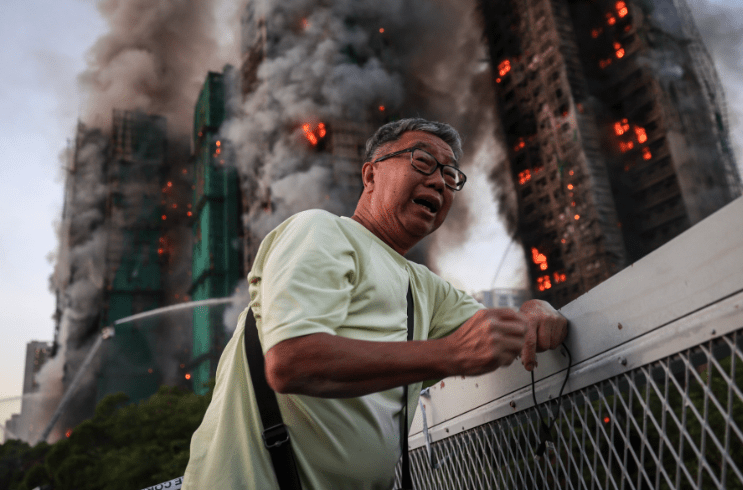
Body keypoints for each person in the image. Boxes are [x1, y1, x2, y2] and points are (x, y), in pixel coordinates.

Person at [182, 118, 568, 489]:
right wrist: (449, 354)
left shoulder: (427, 288)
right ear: (370, 175)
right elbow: (291, 361)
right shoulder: (320, 230)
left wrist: (536, 309)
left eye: (451, 176)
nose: (439, 181)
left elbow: (502, 333)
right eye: (423, 161)